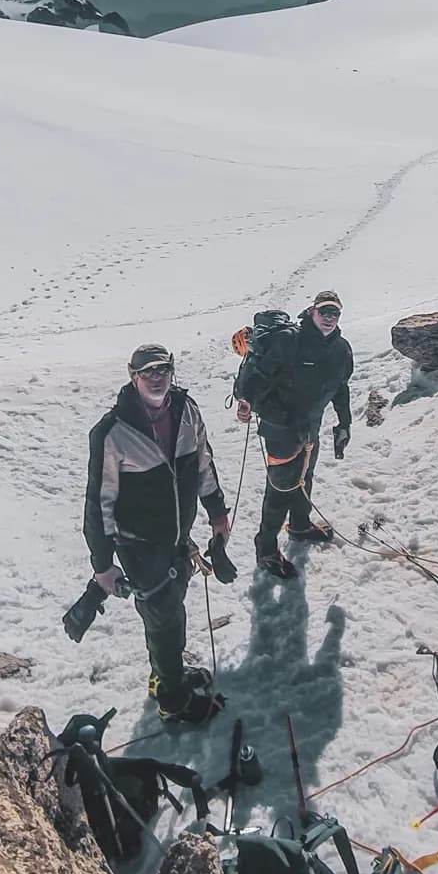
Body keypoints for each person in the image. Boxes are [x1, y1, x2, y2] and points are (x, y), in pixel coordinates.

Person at [84, 344, 234, 723]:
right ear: (133, 377)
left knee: (170, 613)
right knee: (165, 619)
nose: (156, 376)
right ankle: (173, 701)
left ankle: (163, 674)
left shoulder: (186, 411)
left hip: (178, 539)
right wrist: (103, 566)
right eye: (147, 370)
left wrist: (217, 514)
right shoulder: (112, 432)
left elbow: (203, 464)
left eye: (162, 369)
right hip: (139, 545)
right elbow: (98, 503)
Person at [234, 288, 354, 579]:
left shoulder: (341, 349)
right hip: (281, 427)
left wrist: (344, 423)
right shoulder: (290, 342)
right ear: (312, 311)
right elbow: (258, 380)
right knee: (281, 488)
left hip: (311, 425)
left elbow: (341, 387)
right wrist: (250, 403)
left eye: (334, 312)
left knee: (305, 477)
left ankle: (300, 526)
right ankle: (265, 549)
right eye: (323, 311)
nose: (328, 317)